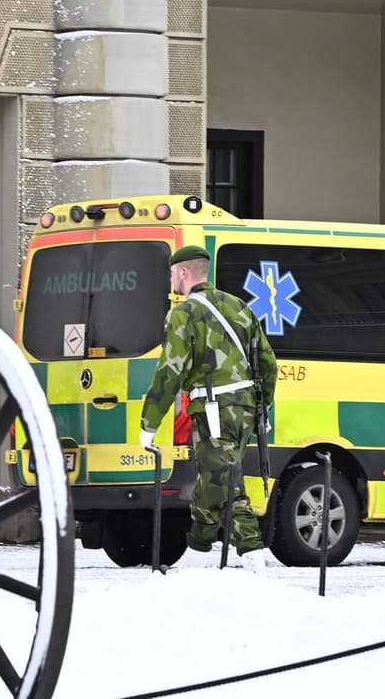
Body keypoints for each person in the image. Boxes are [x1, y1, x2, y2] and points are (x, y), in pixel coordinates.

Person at [140, 245, 277, 572]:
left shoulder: (183, 314)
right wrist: (263, 409)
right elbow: (268, 363)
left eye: (172, 273)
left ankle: (255, 557)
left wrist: (149, 423)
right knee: (211, 480)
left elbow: (169, 371)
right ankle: (197, 553)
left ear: (183, 273)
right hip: (244, 409)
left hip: (214, 408)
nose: (170, 279)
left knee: (226, 481)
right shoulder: (239, 307)